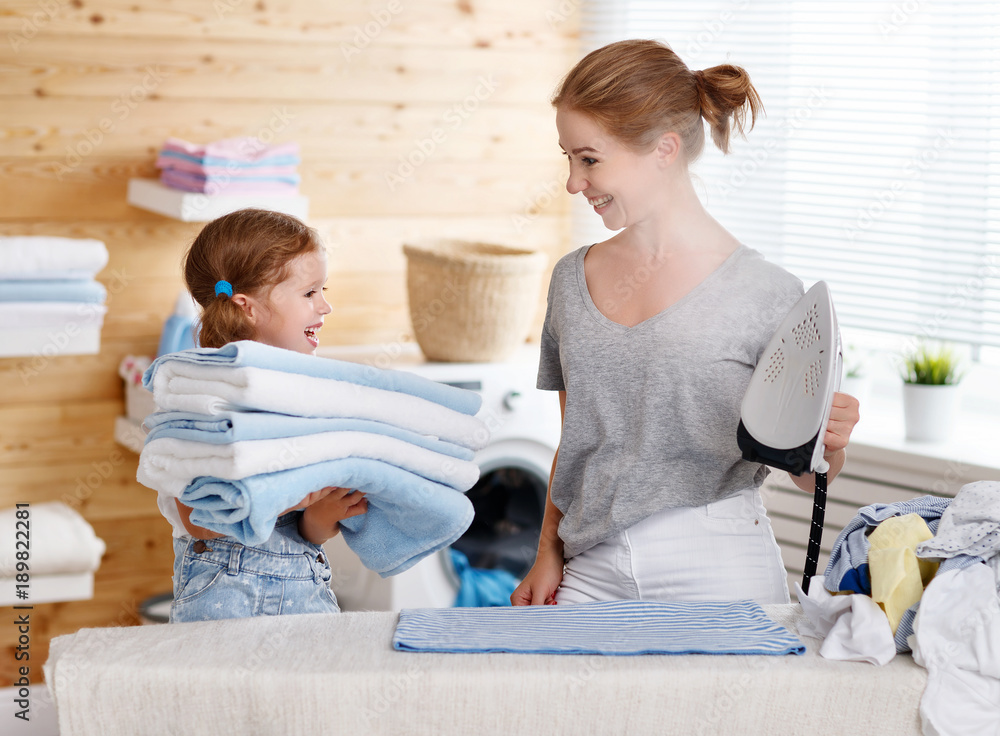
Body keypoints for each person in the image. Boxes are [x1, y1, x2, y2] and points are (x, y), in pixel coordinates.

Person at [511, 40, 860, 608]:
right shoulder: (571, 281)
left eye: (590, 159)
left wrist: (831, 441)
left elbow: (806, 471)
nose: (574, 183)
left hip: (716, 563)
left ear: (664, 150)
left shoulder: (768, 293)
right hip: (589, 569)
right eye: (568, 158)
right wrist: (547, 551)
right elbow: (573, 441)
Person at [166, 208, 368, 622]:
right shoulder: (200, 397)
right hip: (223, 595)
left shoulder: (307, 393)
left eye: (323, 290)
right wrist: (297, 495)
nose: (326, 306)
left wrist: (321, 516)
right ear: (248, 307)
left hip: (305, 595)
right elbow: (201, 523)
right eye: (310, 293)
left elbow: (301, 534)